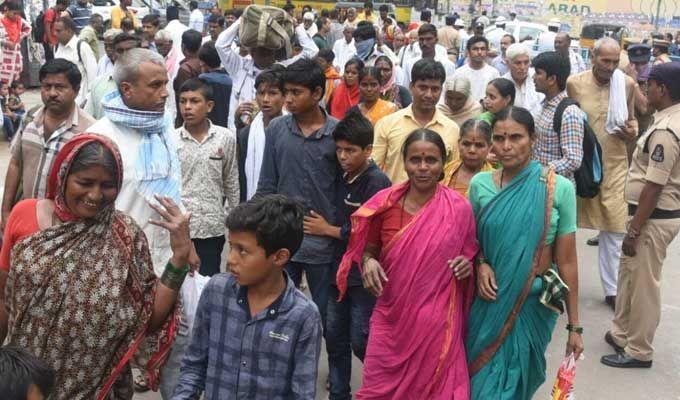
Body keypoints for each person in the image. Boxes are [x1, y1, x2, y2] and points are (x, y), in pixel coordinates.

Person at [0, 134, 189, 399]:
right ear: (63, 176)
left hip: (98, 387)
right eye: (85, 182)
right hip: (28, 386)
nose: (95, 195)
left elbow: (148, 319)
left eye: (108, 185)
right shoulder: (24, 215)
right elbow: (4, 301)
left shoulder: (126, 237)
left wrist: (179, 259)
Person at [338, 128, 477, 398]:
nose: (423, 168)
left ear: (442, 163)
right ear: (404, 161)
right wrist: (368, 263)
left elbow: (470, 253)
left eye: (431, 160)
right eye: (415, 160)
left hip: (436, 324)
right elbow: (369, 251)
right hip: (390, 318)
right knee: (378, 387)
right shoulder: (384, 205)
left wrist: (466, 264)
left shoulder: (459, 209)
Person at [466, 106, 583, 400]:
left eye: (516, 137)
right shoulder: (480, 185)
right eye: (499, 138)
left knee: (518, 384)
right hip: (487, 300)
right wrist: (481, 263)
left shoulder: (559, 188)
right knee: (481, 386)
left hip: (532, 303)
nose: (506, 147)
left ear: (532, 138)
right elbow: (469, 242)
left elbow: (567, 261)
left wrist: (575, 327)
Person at [173, 194, 322, 399]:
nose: (231, 259)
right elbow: (194, 366)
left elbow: (302, 393)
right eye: (231, 245)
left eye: (242, 250)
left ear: (279, 257)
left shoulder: (303, 316)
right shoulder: (216, 292)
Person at [602, 62, 680, 369]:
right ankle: (621, 333)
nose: (645, 89)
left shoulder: (665, 130)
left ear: (664, 89)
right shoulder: (666, 119)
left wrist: (634, 232)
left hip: (653, 218)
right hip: (648, 216)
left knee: (644, 286)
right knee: (629, 278)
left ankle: (638, 350)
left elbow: (653, 186)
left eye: (649, 84)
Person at [256, 58, 340, 326]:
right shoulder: (278, 129)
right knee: (280, 315)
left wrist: (333, 229)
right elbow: (267, 183)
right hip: (284, 240)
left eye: (296, 92)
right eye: (287, 92)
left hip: (323, 244)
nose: (288, 100)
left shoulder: (337, 133)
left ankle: (336, 368)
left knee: (328, 320)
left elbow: (345, 189)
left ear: (317, 93)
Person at [321, 108, 391, 400]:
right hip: (337, 272)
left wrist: (330, 230)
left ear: (368, 150)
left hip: (363, 277)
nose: (343, 156)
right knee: (334, 339)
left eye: (350, 150)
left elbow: (371, 232)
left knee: (361, 339)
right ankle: (339, 394)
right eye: (339, 150)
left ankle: (386, 383)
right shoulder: (342, 174)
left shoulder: (377, 182)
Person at [567, 37, 638, 309]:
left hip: (615, 163)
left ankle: (612, 291)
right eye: (604, 61)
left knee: (615, 227)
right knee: (567, 225)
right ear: (593, 57)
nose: (609, 67)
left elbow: (632, 122)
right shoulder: (575, 83)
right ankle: (563, 281)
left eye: (614, 62)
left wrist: (632, 131)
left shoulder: (627, 85)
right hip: (582, 165)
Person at [1, 59, 95, 231]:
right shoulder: (30, 118)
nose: (52, 93)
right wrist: (6, 211)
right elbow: (15, 163)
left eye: (60, 87)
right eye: (46, 86)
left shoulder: (89, 130)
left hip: (63, 226)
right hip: (25, 218)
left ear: (76, 90)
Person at [176, 78, 239, 277]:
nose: (187, 107)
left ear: (209, 106)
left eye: (194, 101)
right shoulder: (171, 140)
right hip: (182, 229)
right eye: (182, 101)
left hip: (212, 227)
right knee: (180, 284)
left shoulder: (225, 138)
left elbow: (231, 180)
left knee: (209, 280)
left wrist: (235, 224)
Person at [215, 14, 318, 129]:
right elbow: (220, 45)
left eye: (270, 51)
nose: (267, 54)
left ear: (276, 52)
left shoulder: (284, 69)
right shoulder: (239, 67)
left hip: (275, 133)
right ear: (252, 52)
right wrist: (242, 21)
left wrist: (297, 27)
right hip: (239, 134)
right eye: (262, 51)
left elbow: (312, 51)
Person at [373, 58, 460, 183]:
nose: (429, 94)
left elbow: (452, 173)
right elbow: (375, 169)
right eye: (423, 87)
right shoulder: (387, 124)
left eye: (435, 89)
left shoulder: (452, 129)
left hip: (436, 201)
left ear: (441, 90)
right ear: (411, 87)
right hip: (395, 201)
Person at [532, 51, 585, 183]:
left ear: (552, 79)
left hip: (556, 188)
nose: (533, 77)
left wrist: (542, 173)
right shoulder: (545, 106)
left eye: (538, 73)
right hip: (541, 184)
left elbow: (573, 160)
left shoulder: (569, 113)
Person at [236, 66, 286, 202]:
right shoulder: (247, 134)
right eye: (261, 93)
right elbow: (241, 177)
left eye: (272, 93)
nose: (265, 99)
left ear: (284, 96)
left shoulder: (292, 131)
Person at [85, 32, 140, 119]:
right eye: (120, 51)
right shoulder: (98, 84)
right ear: (113, 55)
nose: (124, 55)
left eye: (130, 51)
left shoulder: (152, 82)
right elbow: (88, 119)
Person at [54, 16, 97, 107]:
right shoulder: (56, 47)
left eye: (58, 31)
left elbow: (93, 75)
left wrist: (88, 98)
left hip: (79, 100)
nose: (55, 34)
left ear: (69, 31)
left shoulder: (82, 47)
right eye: (55, 30)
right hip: (62, 99)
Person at [446, 119, 494, 197]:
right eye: (466, 144)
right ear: (458, 143)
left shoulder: (495, 181)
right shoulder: (445, 171)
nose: (472, 150)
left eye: (479, 145)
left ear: (490, 147)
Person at [503, 43, 544, 117]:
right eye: (518, 63)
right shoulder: (502, 83)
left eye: (526, 62)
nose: (523, 67)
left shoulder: (539, 77)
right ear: (508, 63)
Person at [454, 36, 500, 102]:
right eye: (475, 49)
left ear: (487, 51)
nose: (479, 52)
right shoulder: (458, 73)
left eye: (483, 49)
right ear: (468, 51)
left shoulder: (494, 73)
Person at [198, 41, 232, 129]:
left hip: (209, 126)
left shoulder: (204, 79)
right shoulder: (231, 78)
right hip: (228, 124)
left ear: (203, 63)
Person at [174, 29, 203, 127]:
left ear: (183, 46)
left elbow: (184, 96)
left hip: (187, 120)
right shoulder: (204, 63)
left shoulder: (185, 69)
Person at [0, 1, 31, 86]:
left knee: (14, 81)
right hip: (3, 57)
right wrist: (5, 42)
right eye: (14, 13)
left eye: (18, 14)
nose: (16, 16)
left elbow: (28, 28)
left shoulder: (20, 21)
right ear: (7, 10)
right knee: (3, 83)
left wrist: (19, 38)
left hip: (15, 58)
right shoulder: (1, 21)